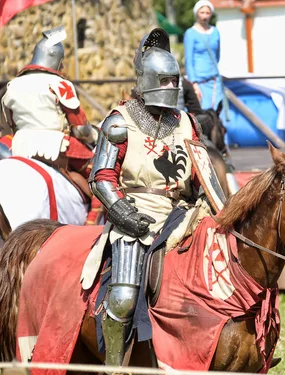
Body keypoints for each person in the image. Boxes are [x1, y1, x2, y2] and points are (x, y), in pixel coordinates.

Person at [89, 28, 212, 367]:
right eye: (165, 80)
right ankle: (116, 366)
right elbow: (101, 178)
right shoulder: (120, 121)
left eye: (175, 81)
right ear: (146, 79)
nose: (172, 88)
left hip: (183, 213)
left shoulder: (187, 123)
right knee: (125, 297)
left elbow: (202, 174)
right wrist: (124, 214)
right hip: (136, 215)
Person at [1, 26, 97, 178]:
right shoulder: (59, 84)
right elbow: (80, 128)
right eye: (62, 61)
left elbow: (9, 123)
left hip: (19, 147)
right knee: (99, 176)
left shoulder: (12, 86)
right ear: (54, 58)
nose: (63, 66)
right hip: (55, 147)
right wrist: (93, 139)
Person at [184, 0, 224, 111]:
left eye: (207, 13)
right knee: (202, 115)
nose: (205, 16)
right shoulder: (191, 33)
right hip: (199, 82)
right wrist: (194, 84)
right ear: (197, 13)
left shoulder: (215, 32)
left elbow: (217, 55)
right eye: (202, 12)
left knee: (217, 114)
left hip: (214, 80)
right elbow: (188, 60)